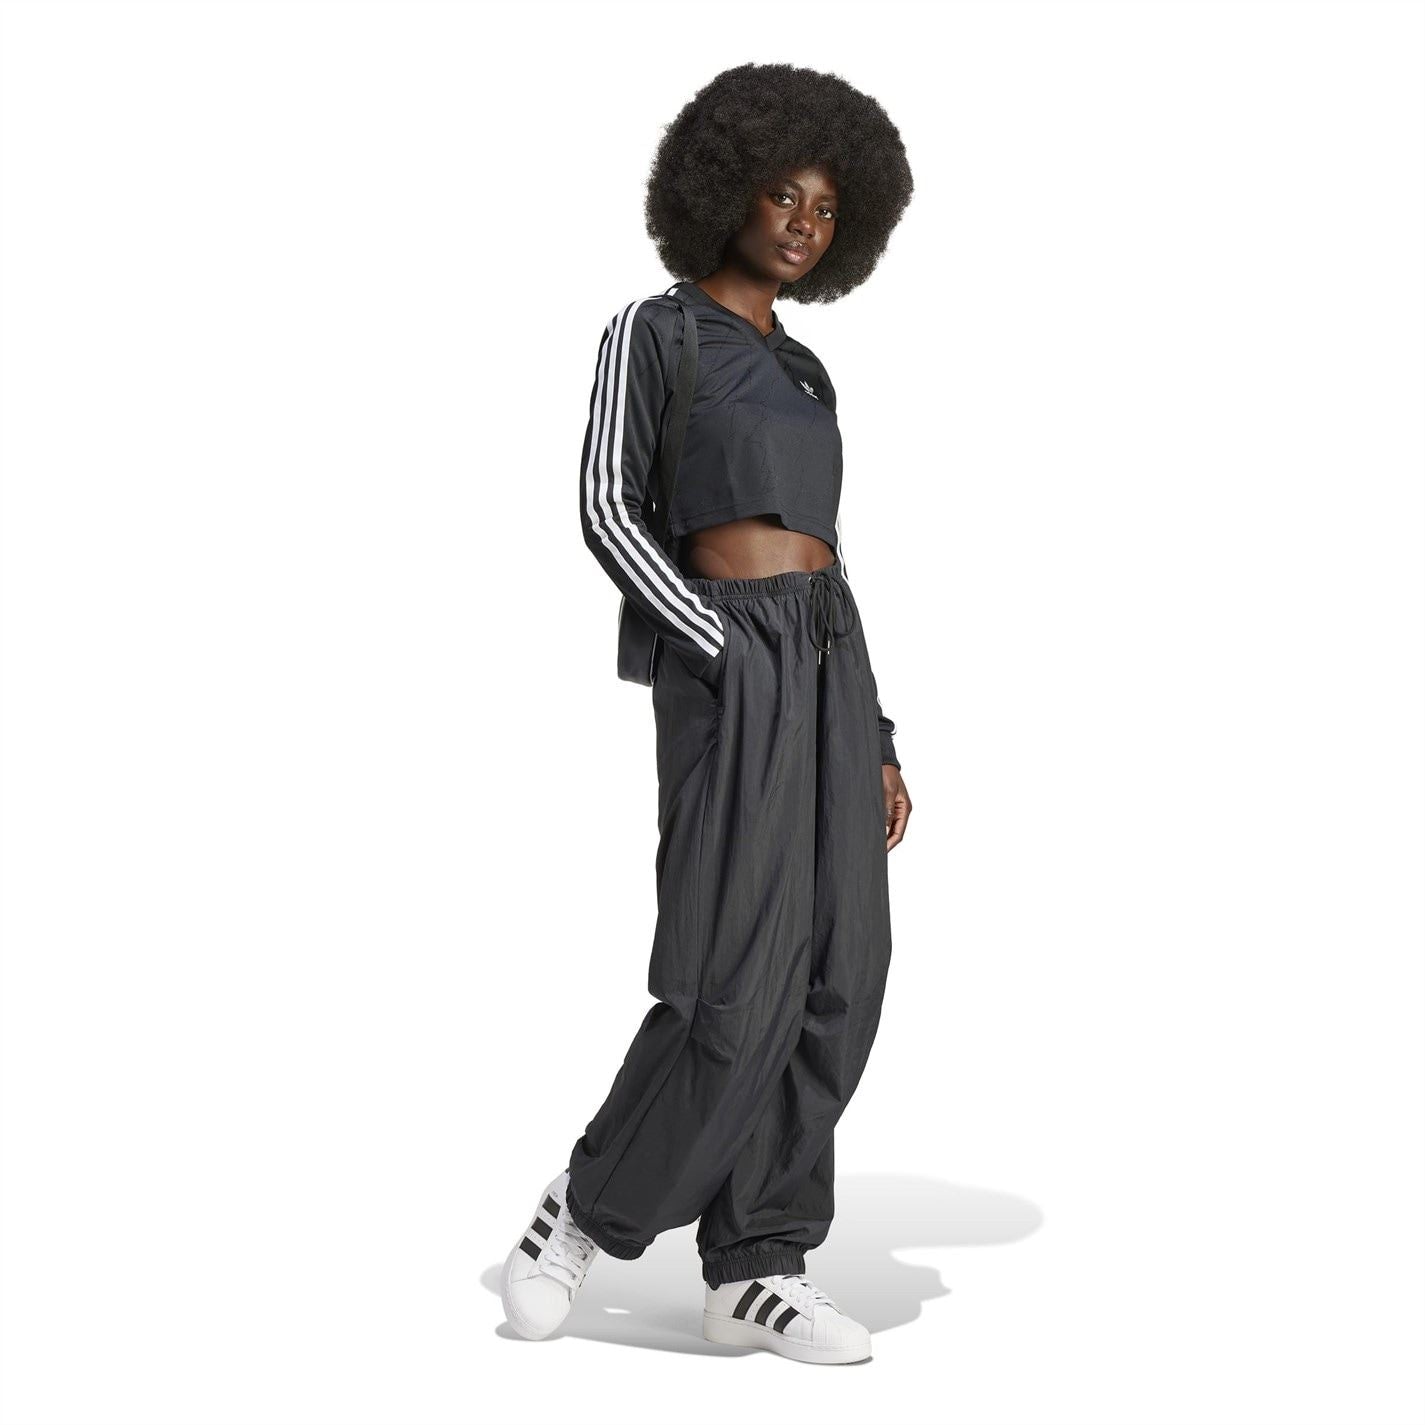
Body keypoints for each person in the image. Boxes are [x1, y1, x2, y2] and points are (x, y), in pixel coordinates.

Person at [501, 61, 915, 1366]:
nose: (803, 221)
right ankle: (585, 1210)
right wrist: (716, 647)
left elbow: (827, 553)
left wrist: (875, 733)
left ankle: (757, 1264)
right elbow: (606, 505)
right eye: (782, 193)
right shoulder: (657, 331)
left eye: (826, 206)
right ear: (724, 187)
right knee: (729, 978)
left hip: (829, 663)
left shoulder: (809, 373)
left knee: (840, 974)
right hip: (731, 659)